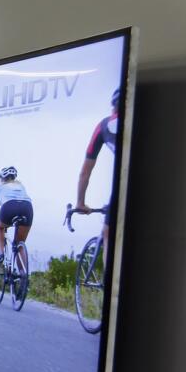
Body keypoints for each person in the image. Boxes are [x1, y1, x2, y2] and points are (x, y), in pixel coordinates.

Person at [75, 87, 120, 260]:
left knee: (108, 233)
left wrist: (80, 202)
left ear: (113, 106)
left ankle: (109, 283)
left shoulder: (104, 126)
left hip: (123, 189)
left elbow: (85, 172)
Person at [0, 166, 34, 274]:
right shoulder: (21, 185)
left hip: (9, 206)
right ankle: (23, 276)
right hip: (27, 207)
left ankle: (1, 252)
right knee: (19, 245)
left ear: (2, 178)